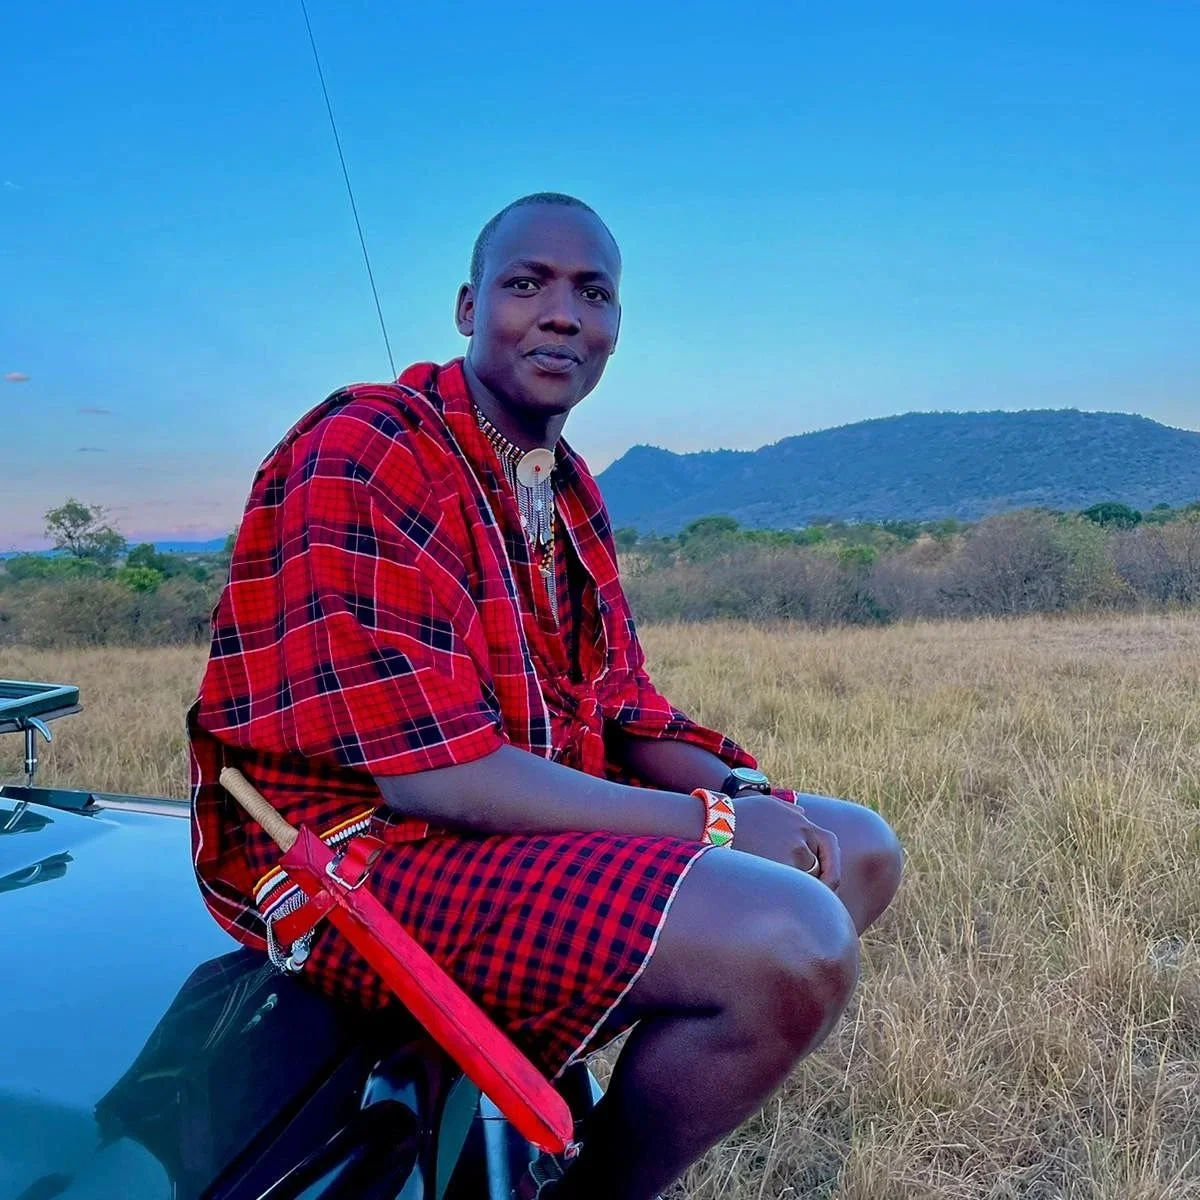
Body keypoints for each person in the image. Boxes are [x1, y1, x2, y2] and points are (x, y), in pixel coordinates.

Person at [187, 192, 903, 1200]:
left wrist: (754, 796)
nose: (564, 313)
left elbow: (622, 703)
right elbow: (434, 777)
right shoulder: (370, 449)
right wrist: (711, 827)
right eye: (529, 284)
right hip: (351, 854)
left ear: (614, 327)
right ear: (468, 306)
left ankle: (544, 1079)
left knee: (859, 847)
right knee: (790, 943)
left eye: (593, 293)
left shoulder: (561, 487)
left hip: (501, 820)